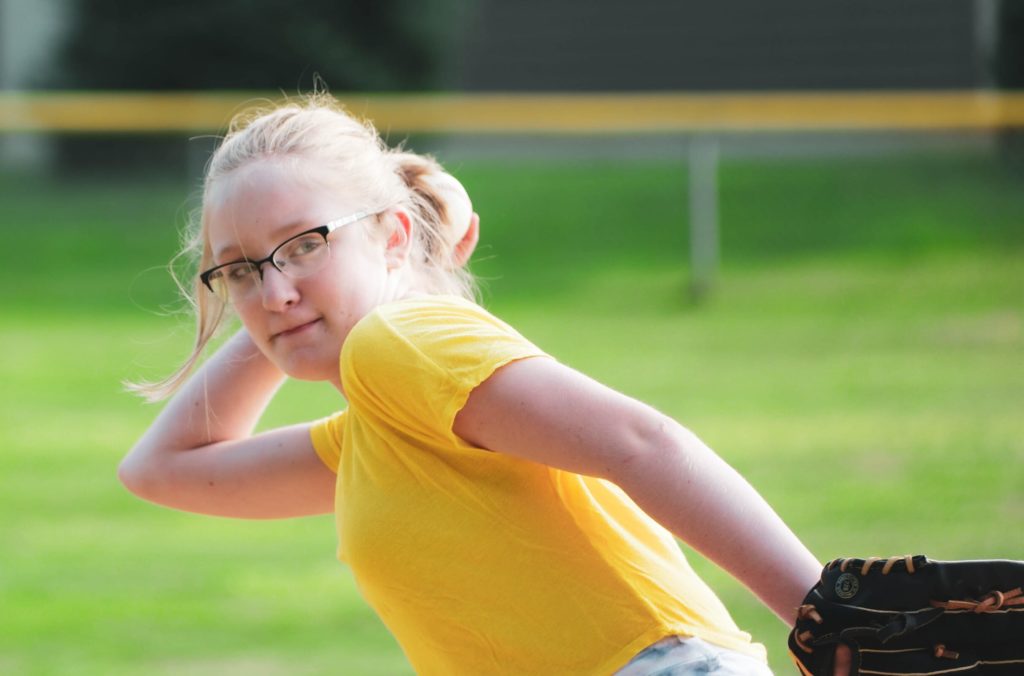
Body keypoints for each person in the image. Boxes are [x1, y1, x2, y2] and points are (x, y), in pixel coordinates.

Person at [119, 94, 825, 675]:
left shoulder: (397, 342)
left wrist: (828, 616)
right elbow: (161, 471)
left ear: (394, 235)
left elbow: (641, 442)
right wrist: (290, 292)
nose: (272, 294)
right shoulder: (373, 435)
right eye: (237, 271)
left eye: (306, 243)